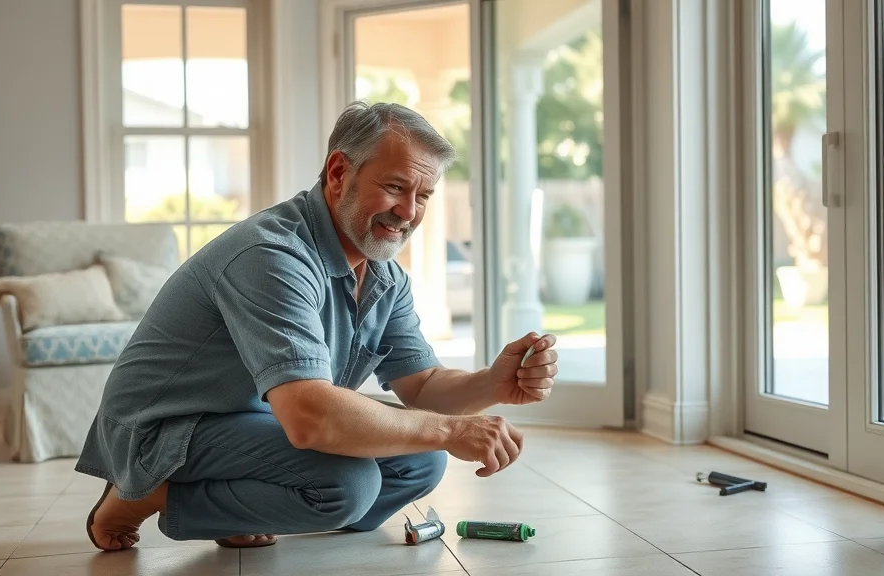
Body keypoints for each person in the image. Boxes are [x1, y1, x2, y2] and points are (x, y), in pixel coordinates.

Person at [76, 101, 559, 552]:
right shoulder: (271, 255)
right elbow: (310, 418)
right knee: (349, 485)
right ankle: (141, 493)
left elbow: (423, 385)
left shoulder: (383, 274)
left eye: (424, 195)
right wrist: (449, 429)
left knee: (422, 461)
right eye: (395, 187)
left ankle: (234, 510)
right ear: (338, 173)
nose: (409, 212)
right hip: (167, 427)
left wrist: (494, 383)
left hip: (258, 421)